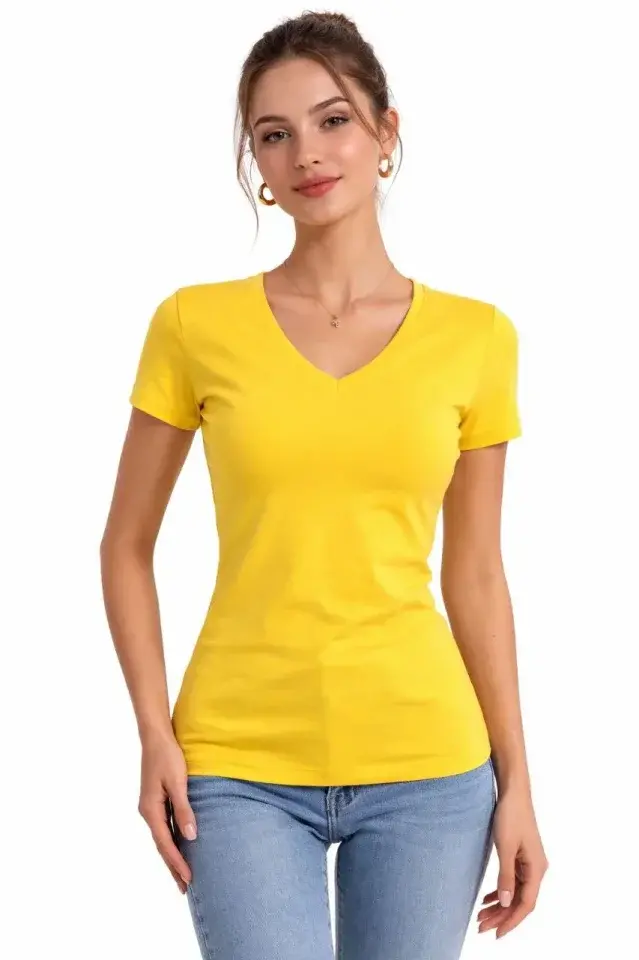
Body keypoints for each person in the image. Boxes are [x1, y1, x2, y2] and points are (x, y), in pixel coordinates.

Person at [100, 10, 548, 959]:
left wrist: (518, 783)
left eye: (332, 119)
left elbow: (476, 575)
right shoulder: (192, 326)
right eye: (274, 133)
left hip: (429, 766)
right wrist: (153, 735)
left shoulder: (476, 339)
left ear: (386, 132)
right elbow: (125, 547)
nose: (305, 152)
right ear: (255, 163)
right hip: (236, 765)